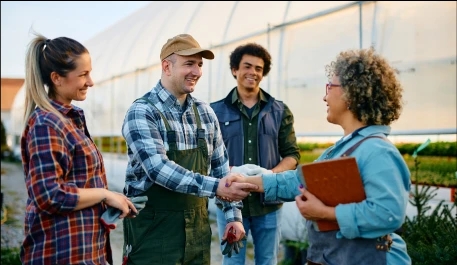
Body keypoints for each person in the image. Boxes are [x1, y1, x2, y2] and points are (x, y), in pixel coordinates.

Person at [226, 47, 412, 264]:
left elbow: (388, 213)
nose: (324, 96)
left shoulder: (377, 151)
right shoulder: (343, 148)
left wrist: (325, 213)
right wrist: (248, 182)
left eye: (330, 86)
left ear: (351, 93)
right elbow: (298, 181)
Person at [121, 33, 259, 265]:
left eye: (199, 64)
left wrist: (233, 217)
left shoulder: (204, 113)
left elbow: (220, 168)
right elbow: (158, 169)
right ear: (167, 66)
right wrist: (218, 188)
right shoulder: (143, 111)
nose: (196, 71)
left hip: (197, 231)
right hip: (153, 234)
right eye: (189, 64)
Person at [20, 33, 138, 265]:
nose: (91, 81)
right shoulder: (46, 123)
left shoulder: (69, 119)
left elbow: (80, 183)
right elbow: (49, 195)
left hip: (84, 249)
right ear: (57, 78)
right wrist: (105, 194)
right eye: (83, 74)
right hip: (61, 251)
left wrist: (112, 198)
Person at [210, 42, 301, 265]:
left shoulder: (279, 111)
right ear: (235, 70)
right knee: (232, 261)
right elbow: (207, 156)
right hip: (230, 203)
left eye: (259, 69)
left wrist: (268, 176)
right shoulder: (215, 111)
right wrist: (228, 172)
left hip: (268, 204)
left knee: (267, 260)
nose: (253, 73)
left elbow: (292, 156)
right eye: (247, 66)